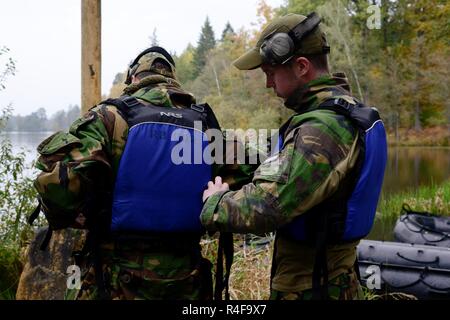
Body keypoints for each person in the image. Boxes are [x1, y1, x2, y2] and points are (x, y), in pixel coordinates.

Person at [201, 13, 387, 300]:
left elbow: (266, 206)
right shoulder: (340, 113)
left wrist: (215, 203)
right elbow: (279, 164)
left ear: (301, 67)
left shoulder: (323, 128)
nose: (267, 84)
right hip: (331, 278)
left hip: (313, 286)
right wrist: (216, 145)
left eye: (270, 73)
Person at [32, 46, 236, 300]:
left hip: (116, 280)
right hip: (188, 282)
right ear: (173, 80)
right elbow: (253, 172)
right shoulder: (206, 126)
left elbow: (59, 194)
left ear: (134, 79)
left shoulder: (109, 117)